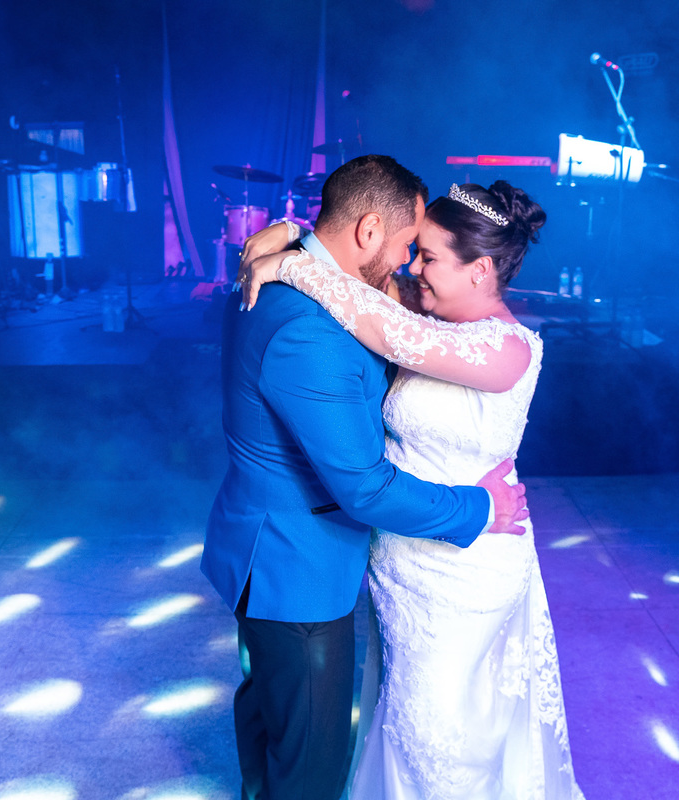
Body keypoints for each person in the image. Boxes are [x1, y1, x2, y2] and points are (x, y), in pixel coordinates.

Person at [240, 180, 587, 799]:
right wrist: (294, 233)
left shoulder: (507, 350)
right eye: (415, 252)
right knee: (398, 724)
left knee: (445, 744)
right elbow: (358, 270)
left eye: (429, 257)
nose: (412, 267)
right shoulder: (421, 311)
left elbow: (375, 321)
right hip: (401, 566)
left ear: (481, 270)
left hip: (467, 567)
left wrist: (291, 260)